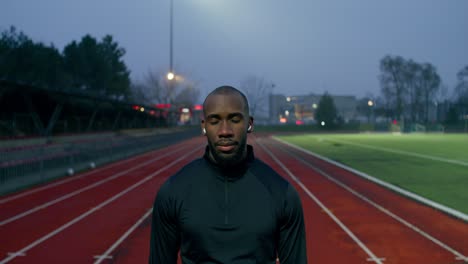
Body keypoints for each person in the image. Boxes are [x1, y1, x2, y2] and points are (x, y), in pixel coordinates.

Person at [149, 85, 307, 264]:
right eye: (215, 121)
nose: (225, 131)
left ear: (249, 123)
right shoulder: (173, 192)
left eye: (235, 119)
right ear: (204, 126)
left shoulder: (282, 194)